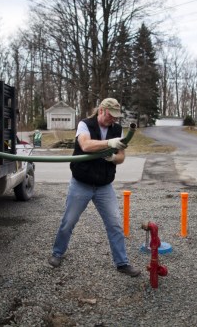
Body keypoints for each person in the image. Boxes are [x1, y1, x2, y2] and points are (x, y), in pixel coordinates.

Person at [48, 98, 141, 277]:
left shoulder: (117, 129)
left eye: (115, 116)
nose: (112, 119)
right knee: (68, 222)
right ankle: (57, 253)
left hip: (104, 186)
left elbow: (121, 156)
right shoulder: (85, 125)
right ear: (101, 111)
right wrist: (109, 143)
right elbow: (85, 145)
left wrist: (114, 158)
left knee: (115, 224)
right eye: (110, 115)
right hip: (81, 183)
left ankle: (122, 263)